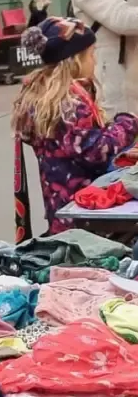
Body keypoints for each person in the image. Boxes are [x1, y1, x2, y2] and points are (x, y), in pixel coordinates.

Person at [11, 16, 138, 235]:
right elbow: (97, 152)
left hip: (63, 208)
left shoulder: (43, 96)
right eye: (91, 54)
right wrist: (128, 122)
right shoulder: (68, 104)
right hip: (82, 214)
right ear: (75, 60)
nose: (95, 61)